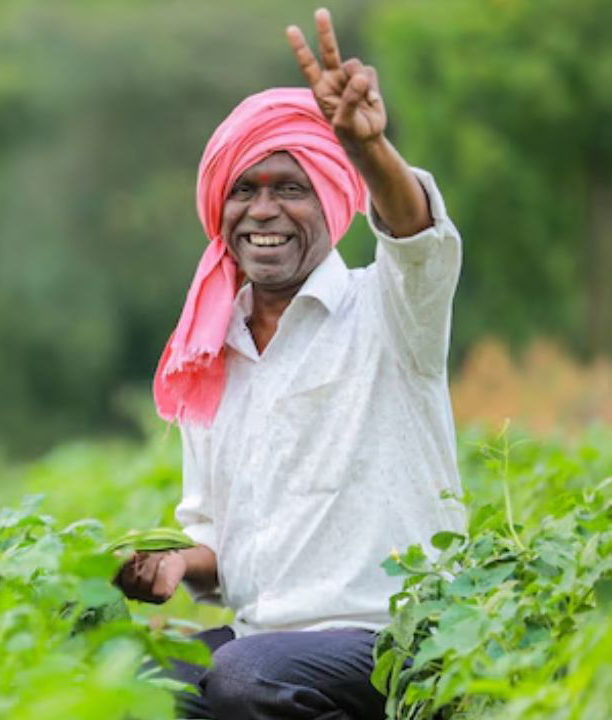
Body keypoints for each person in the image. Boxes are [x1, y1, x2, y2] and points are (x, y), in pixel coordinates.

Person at [114, 8, 467, 720]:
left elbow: (414, 235)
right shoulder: (210, 352)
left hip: (392, 639)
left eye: (289, 187)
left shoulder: (393, 311)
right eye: (245, 189)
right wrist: (178, 564)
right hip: (259, 637)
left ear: (332, 202)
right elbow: (220, 539)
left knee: (245, 680)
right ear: (221, 209)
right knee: (129, 678)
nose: (263, 210)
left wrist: (368, 149)